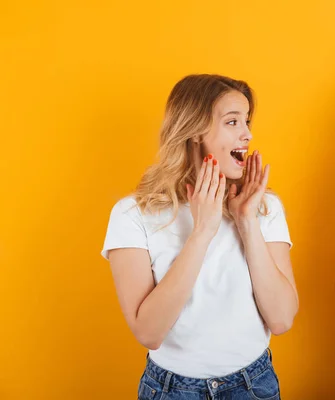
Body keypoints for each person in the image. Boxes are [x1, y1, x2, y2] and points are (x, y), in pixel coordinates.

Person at [101, 74, 298, 400]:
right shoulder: (132, 215)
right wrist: (202, 231)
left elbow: (281, 319)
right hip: (172, 390)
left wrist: (246, 221)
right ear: (194, 131)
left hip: (254, 385)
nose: (247, 134)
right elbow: (149, 333)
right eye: (232, 122)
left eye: (246, 121)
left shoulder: (263, 207)